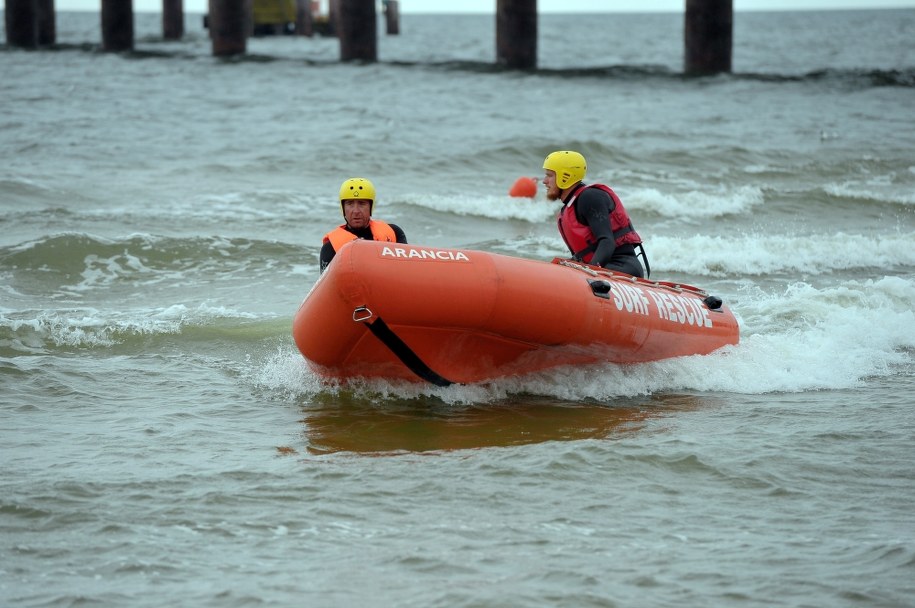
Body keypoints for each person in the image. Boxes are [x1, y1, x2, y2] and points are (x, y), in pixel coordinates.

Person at [542, 150, 649, 278]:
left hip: (623, 268)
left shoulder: (590, 197)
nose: (544, 181)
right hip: (604, 269)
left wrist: (588, 274)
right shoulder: (570, 205)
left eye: (549, 175)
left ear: (565, 176)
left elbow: (607, 241)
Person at [320, 177, 407, 273]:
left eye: (362, 203)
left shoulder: (394, 233)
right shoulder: (330, 247)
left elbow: (406, 271)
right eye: (350, 204)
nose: (356, 211)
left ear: (371, 207)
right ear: (343, 208)